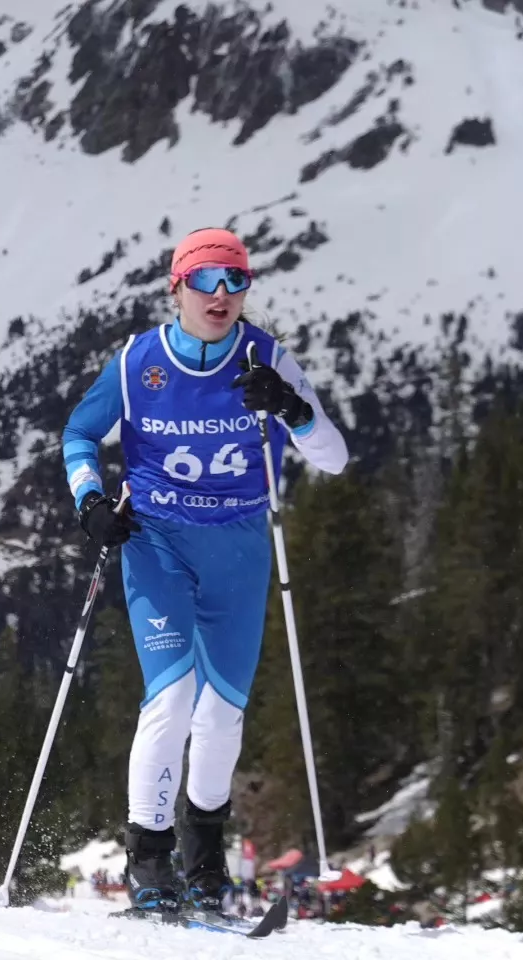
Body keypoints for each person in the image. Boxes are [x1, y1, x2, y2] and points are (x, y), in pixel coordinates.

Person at [60, 227, 347, 916]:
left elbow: (333, 457)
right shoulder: (138, 362)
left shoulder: (266, 359)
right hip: (157, 542)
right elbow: (78, 434)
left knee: (221, 714)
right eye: (206, 281)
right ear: (177, 288)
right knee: (171, 698)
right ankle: (148, 857)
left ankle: (205, 860)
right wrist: (90, 501)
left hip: (239, 548)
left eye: (235, 281)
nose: (221, 295)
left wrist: (292, 409)